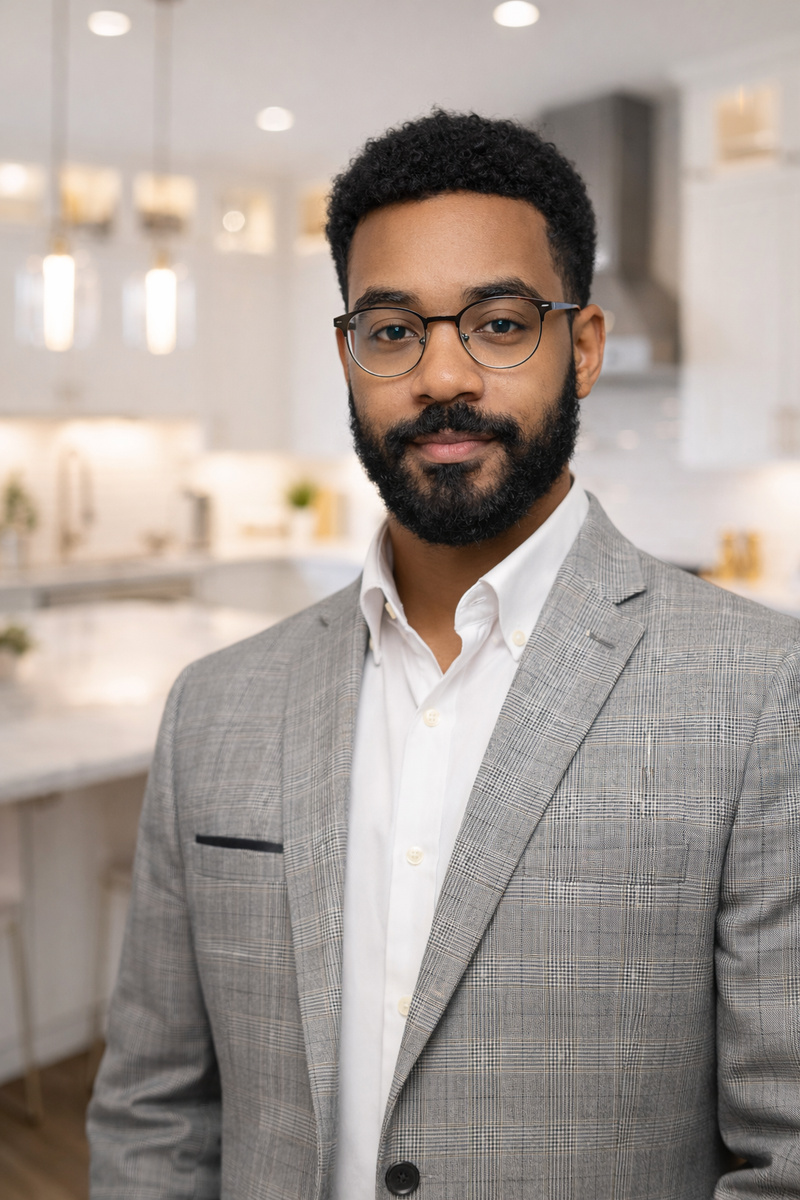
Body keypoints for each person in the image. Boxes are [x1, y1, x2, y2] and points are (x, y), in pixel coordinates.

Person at [88, 111, 800, 1200]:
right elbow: (152, 1112)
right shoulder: (213, 709)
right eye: (391, 331)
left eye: (500, 322)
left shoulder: (756, 694)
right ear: (347, 357)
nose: (441, 376)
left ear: (585, 347)